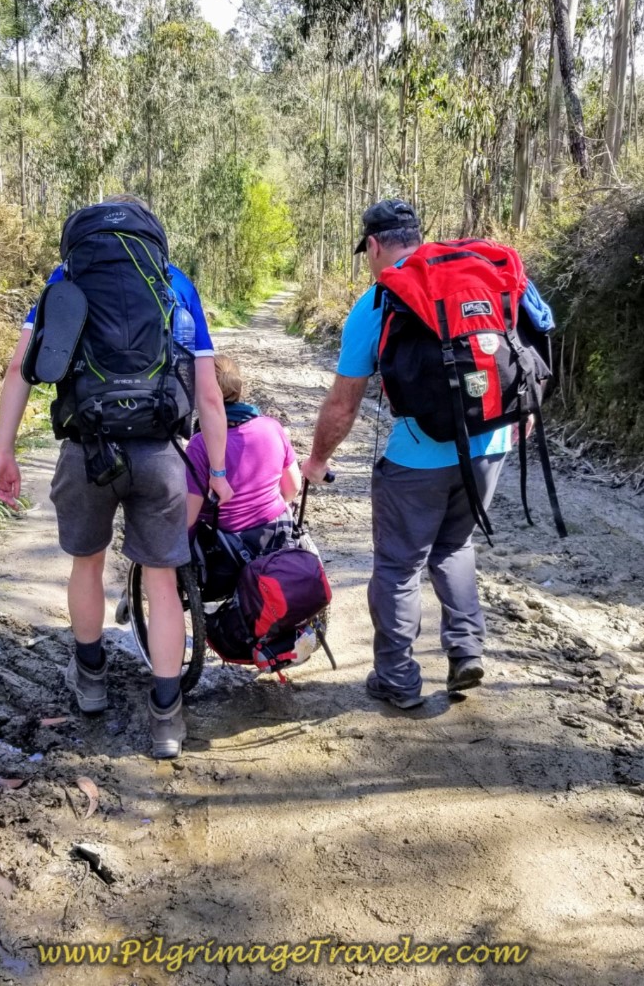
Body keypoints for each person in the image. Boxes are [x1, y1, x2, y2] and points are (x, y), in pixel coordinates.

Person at [0, 195, 233, 760]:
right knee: (161, 581)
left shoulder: (65, 278)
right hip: (159, 454)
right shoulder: (174, 281)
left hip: (87, 450)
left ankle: (92, 681)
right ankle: (167, 717)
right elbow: (209, 393)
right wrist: (217, 470)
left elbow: (20, 367)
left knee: (88, 565)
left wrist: (5, 451)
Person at [300, 200, 514, 709]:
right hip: (491, 443)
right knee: (455, 545)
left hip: (420, 458)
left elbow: (343, 404)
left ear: (374, 245)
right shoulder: (474, 274)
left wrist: (317, 460)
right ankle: (466, 651)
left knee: (399, 567)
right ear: (418, 236)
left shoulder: (378, 301)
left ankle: (397, 679)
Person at [184, 355, 302, 558]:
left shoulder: (200, 444)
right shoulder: (272, 427)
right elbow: (293, 488)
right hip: (274, 535)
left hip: (223, 548)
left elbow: (188, 517)